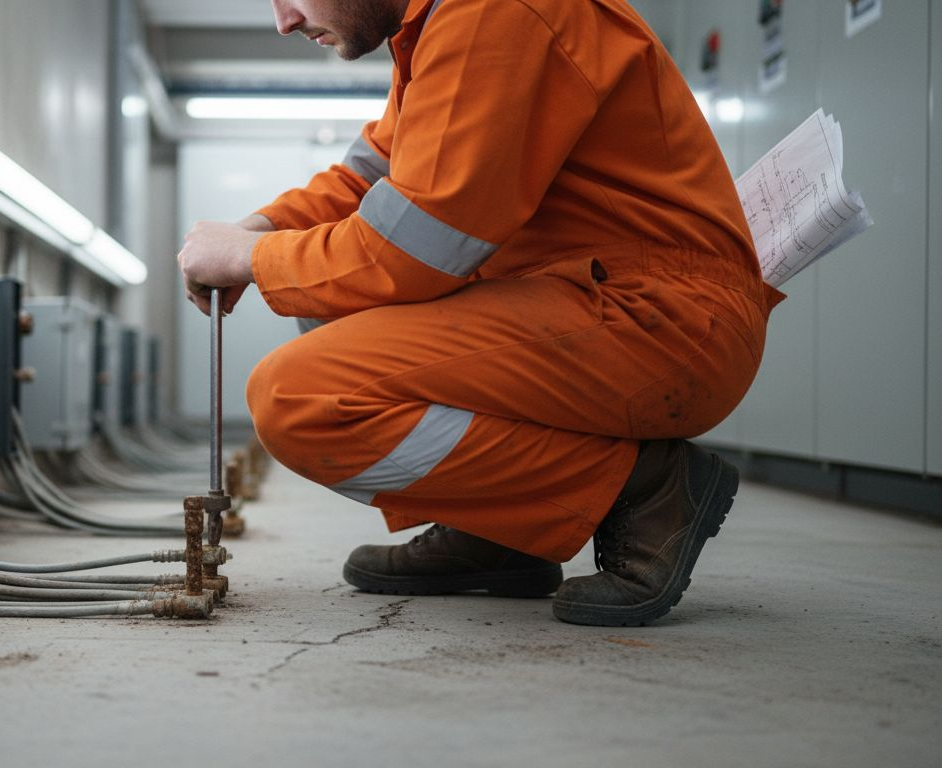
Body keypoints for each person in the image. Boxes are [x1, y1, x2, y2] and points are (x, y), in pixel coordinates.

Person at [177, 0, 784, 626]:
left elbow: (414, 250)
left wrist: (254, 258)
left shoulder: (498, 11)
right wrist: (258, 228)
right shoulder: (433, 26)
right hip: (576, 296)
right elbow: (370, 177)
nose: (284, 21)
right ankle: (506, 531)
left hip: (658, 316)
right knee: (327, 308)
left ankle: (649, 487)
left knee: (299, 398)